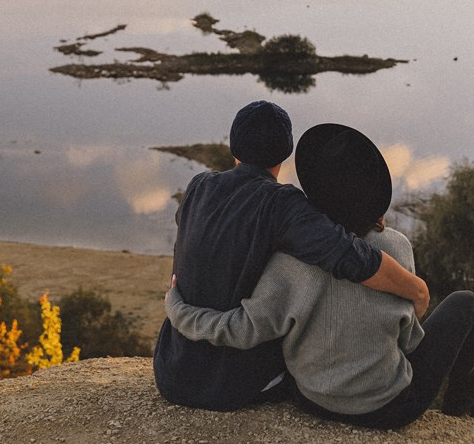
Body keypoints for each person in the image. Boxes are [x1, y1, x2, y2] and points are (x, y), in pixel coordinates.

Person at [166, 122, 474, 427]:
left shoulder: (287, 259)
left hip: (311, 399)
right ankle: (466, 390)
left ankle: (464, 389)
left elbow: (247, 328)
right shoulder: (396, 249)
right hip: (388, 409)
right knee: (465, 302)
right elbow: (410, 338)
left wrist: (180, 310)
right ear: (373, 197)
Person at [153, 102, 429, 411]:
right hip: (233, 386)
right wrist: (417, 289)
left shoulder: (198, 186)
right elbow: (350, 257)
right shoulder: (281, 203)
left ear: (234, 147)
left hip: (171, 371)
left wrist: (178, 302)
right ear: (285, 154)